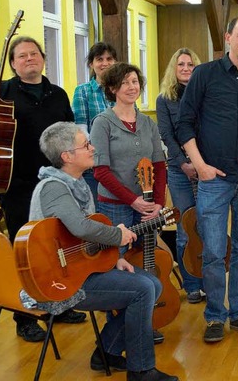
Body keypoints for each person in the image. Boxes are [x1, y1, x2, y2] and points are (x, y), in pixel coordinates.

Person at [30, 122, 178, 381]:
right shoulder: (54, 187)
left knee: (153, 284)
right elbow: (81, 227)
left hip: (76, 271)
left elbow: (78, 242)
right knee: (142, 289)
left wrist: (114, 259)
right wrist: (117, 235)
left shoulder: (75, 184)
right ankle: (141, 370)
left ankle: (107, 352)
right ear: (67, 156)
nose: (92, 148)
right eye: (85, 145)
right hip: (57, 282)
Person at [178, 16, 238, 343]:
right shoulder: (204, 74)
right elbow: (184, 123)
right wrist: (200, 165)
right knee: (215, 251)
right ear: (228, 37)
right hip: (214, 179)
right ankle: (215, 317)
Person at [0, 36, 85, 342]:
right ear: (12, 63)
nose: (29, 59)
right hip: (17, 185)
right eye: (22, 56)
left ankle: (58, 306)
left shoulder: (57, 94)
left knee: (57, 247)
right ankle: (26, 316)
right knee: (25, 252)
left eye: (34, 54)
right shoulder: (2, 93)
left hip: (55, 185)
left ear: (43, 58)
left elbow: (72, 135)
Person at [91, 63, 166, 234]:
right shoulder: (102, 123)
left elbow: (160, 166)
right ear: (112, 88)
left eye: (135, 81)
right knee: (118, 257)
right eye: (125, 83)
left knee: (144, 257)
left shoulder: (148, 123)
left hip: (148, 204)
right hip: (114, 206)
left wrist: (159, 203)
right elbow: (100, 171)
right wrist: (132, 200)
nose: (132, 87)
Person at [156, 48, 204, 304]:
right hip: (179, 171)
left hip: (206, 170)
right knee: (186, 228)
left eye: (191, 64)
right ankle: (192, 283)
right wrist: (184, 163)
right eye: (181, 64)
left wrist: (200, 163)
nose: (186, 68)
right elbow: (166, 135)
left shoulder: (205, 95)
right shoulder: (164, 99)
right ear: (173, 69)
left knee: (208, 226)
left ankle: (209, 280)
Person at [72, 42, 117, 207]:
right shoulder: (82, 91)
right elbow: (82, 130)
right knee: (97, 214)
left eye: (109, 59)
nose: (105, 63)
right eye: (99, 59)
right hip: (95, 167)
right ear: (91, 64)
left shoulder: (122, 90)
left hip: (121, 166)